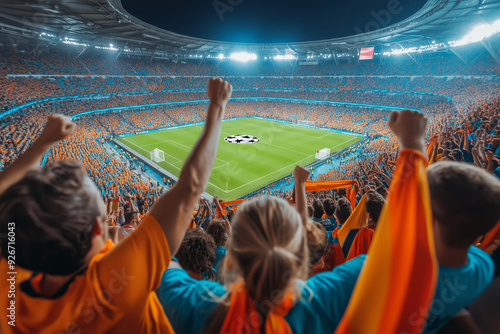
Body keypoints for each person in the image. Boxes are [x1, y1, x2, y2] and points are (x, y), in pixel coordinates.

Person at [0, 77, 233, 333]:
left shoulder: (11, 291)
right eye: (102, 211)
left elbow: (8, 200)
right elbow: (189, 190)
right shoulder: (113, 284)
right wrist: (218, 105)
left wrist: (42, 143)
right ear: (96, 231)